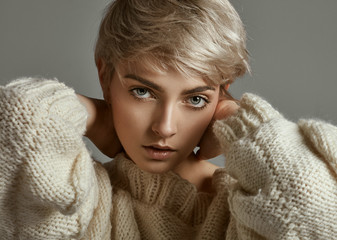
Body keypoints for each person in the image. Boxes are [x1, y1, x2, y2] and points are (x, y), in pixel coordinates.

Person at [1, 0, 337, 239]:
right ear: (105, 75)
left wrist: (237, 121)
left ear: (221, 94)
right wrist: (94, 117)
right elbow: (19, 119)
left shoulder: (247, 210)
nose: (164, 127)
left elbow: (319, 215)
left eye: (195, 99)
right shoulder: (79, 200)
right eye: (143, 92)